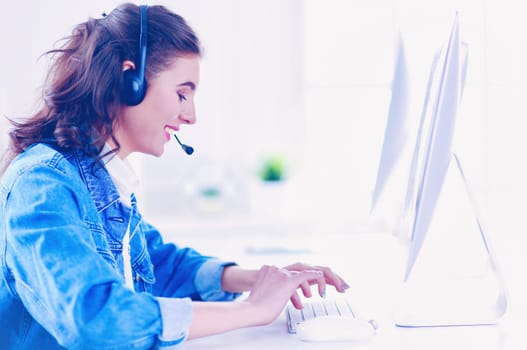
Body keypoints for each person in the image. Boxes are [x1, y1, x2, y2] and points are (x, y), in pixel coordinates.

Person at [0, 3, 349, 349]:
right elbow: (95, 317)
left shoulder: (101, 179)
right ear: (129, 81)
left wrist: (257, 279)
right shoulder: (42, 184)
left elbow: (159, 265)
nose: (191, 116)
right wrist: (253, 309)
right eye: (182, 93)